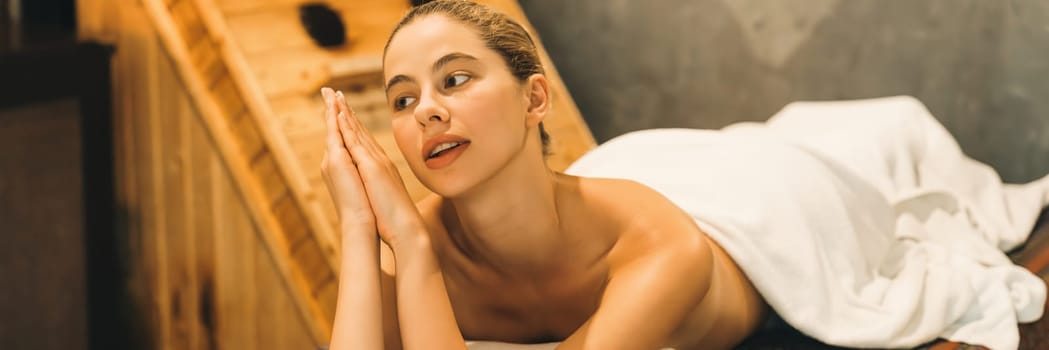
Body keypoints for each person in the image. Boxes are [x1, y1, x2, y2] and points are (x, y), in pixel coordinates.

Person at [320, 1, 1047, 349]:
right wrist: (367, 230)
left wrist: (410, 252)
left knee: (862, 148)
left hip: (744, 203)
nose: (428, 113)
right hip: (603, 178)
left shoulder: (659, 250)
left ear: (534, 99)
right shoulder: (423, 251)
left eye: (455, 80)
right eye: (404, 99)